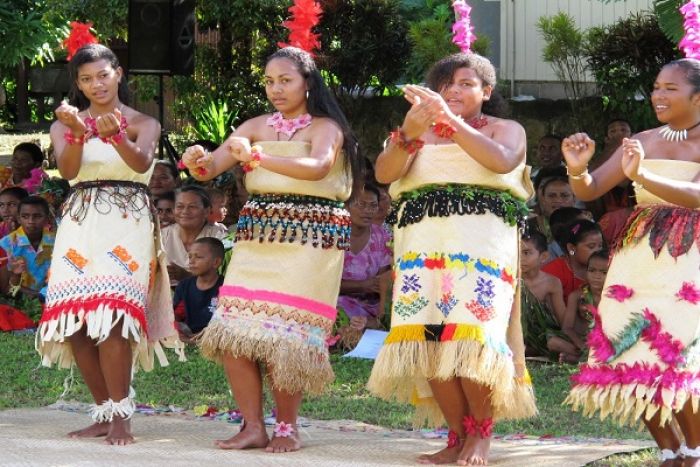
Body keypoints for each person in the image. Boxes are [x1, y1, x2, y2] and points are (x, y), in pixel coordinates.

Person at [182, 46, 361, 453]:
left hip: (309, 244)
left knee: (285, 338)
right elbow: (212, 167)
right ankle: (252, 426)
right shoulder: (256, 125)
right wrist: (197, 161)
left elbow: (318, 166)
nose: (276, 89)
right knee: (234, 334)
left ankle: (286, 427)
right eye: (269, 81)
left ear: (308, 83)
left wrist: (259, 156)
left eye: (285, 81)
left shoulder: (325, 127)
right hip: (258, 239)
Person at [366, 53, 537, 466]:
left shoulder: (505, 129)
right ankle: (456, 436)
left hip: (480, 245)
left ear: (487, 92)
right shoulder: (417, 132)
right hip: (422, 246)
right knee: (430, 339)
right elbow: (385, 174)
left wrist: (449, 122)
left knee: (470, 338)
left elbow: (502, 161)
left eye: (465, 83)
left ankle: (481, 437)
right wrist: (409, 132)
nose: (453, 91)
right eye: (445, 84)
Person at [36, 44, 182, 445]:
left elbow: (140, 164)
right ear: (78, 84)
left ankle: (121, 414)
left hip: (127, 222)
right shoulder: (65, 125)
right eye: (85, 79)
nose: (95, 84)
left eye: (102, 75)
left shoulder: (143, 122)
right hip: (80, 222)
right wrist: (79, 134)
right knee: (77, 321)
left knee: (115, 316)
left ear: (118, 74)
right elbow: (67, 170)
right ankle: (102, 410)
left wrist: (114, 134)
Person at [562, 58, 700, 466]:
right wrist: (577, 168)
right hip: (639, 262)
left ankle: (694, 451)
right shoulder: (643, 138)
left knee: (678, 354)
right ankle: (669, 451)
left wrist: (645, 176)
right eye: (656, 86)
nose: (658, 94)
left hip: (688, 258)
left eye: (670, 89)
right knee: (630, 351)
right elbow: (590, 189)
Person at [337, 184, 392, 338]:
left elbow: (384, 280)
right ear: (347, 206)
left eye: (373, 206)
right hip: (338, 302)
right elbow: (324, 284)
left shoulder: (381, 236)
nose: (367, 210)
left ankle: (370, 324)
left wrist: (379, 316)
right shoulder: (334, 235)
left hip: (372, 306)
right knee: (338, 315)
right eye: (361, 204)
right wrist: (363, 285)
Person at [519, 231, 569, 362]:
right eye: (516, 252)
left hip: (543, 337)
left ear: (544, 256)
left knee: (554, 342)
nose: (520, 258)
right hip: (518, 336)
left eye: (526, 253)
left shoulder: (551, 282)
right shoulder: (509, 281)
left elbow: (562, 317)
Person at [161, 185, 226, 284]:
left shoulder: (218, 235)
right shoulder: (163, 235)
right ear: (174, 210)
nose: (185, 211)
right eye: (180, 206)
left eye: (192, 206)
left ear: (206, 211)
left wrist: (186, 276)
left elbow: (223, 277)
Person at [561, 249, 609, 362]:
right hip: (582, 342)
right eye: (592, 270)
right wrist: (583, 346)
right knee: (553, 342)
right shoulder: (576, 296)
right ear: (586, 271)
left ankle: (578, 358)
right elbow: (567, 328)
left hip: (606, 342)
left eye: (604, 272)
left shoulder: (613, 296)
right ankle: (586, 357)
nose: (597, 276)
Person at [0, 196, 54, 298]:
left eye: (37, 216)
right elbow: (6, 289)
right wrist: (39, 296)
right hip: (19, 303)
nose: (31, 221)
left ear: (47, 219)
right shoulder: (5, 245)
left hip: (53, 299)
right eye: (25, 216)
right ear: (19, 219)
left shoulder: (57, 241)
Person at [173, 237, 224, 343]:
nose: (191, 261)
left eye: (198, 257)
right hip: (188, 332)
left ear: (216, 262)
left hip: (215, 335)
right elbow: (175, 316)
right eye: (190, 256)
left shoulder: (225, 287)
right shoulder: (184, 285)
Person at [542, 219, 603, 304]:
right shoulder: (552, 273)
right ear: (571, 248)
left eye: (600, 246)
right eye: (591, 246)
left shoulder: (607, 265)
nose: (598, 251)